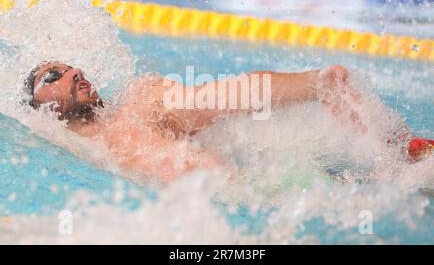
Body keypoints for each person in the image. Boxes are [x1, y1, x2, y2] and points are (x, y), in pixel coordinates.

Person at [22, 61, 432, 182]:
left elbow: (210, 99)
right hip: (279, 195)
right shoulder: (60, 149)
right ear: (41, 108)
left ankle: (318, 84)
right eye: (52, 77)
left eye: (70, 67)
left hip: (271, 200)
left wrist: (313, 85)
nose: (73, 72)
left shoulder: (139, 105)